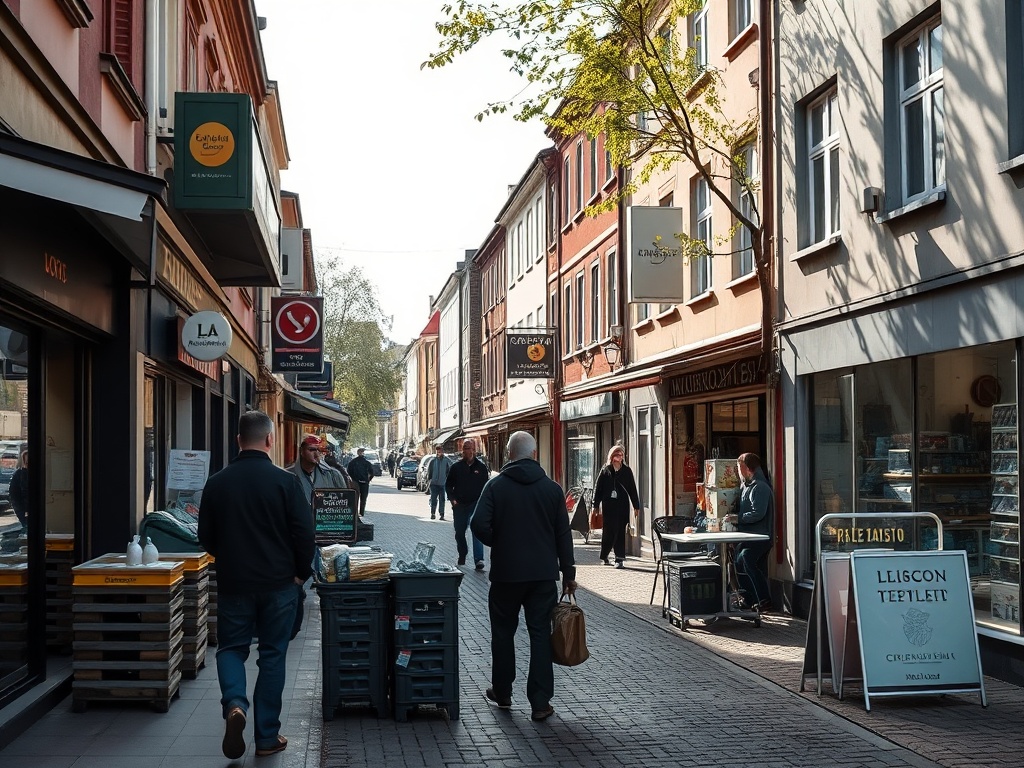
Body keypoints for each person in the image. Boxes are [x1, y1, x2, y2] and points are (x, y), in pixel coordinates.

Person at [197, 411, 314, 760]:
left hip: (234, 583)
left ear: (237, 440)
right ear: (270, 440)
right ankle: (266, 737)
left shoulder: (217, 482)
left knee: (231, 649)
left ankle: (235, 704)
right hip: (279, 583)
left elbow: (205, 537)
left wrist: (229, 557)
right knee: (273, 656)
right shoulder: (286, 482)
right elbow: (305, 534)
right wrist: (299, 573)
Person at [471, 431, 577, 723]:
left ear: (508, 454)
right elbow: (563, 535)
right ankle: (540, 702)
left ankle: (503, 692)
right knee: (541, 634)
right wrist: (568, 573)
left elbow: (478, 524)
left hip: (506, 574)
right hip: (542, 576)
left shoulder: (496, 487)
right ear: (533, 455)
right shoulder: (552, 490)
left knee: (503, 633)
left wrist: (500, 541)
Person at [724, 452, 774, 612]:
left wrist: (737, 518)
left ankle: (764, 599)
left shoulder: (760, 487)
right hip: (749, 536)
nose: (738, 472)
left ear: (745, 468)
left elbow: (758, 513)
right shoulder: (747, 486)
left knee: (746, 559)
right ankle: (749, 598)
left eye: (739, 468)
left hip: (761, 537)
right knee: (739, 561)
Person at [592, 445, 641, 569]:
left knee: (620, 532)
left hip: (622, 507)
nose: (620, 457)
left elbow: (632, 489)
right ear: (612, 456)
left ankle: (619, 558)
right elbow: (598, 489)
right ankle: (604, 555)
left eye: (621, 454)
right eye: (617, 454)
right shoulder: (605, 470)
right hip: (609, 507)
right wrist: (595, 505)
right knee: (608, 532)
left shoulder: (627, 471)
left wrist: (636, 505)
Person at [445, 438, 488, 570]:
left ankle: (479, 560)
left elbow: (486, 487)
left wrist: (484, 504)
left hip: (475, 504)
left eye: (468, 448)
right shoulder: (456, 467)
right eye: (464, 448)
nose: (465, 451)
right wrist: (453, 500)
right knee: (459, 532)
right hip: (460, 506)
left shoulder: (481, 468)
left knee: (476, 531)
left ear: (474, 450)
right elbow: (448, 485)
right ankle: (462, 554)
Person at [425, 444, 453, 520]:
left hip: (442, 484)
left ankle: (442, 515)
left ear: (442, 451)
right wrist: (429, 481)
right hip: (433, 484)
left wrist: (448, 481)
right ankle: (433, 513)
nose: (439, 452)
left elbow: (450, 471)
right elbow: (429, 472)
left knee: (442, 500)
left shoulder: (446, 461)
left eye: (440, 451)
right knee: (434, 499)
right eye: (437, 451)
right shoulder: (433, 461)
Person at [346, 447, 374, 517]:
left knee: (355, 498)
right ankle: (361, 513)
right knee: (363, 499)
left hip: (356, 483)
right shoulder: (367, 463)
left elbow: (348, 471)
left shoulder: (352, 462)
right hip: (364, 483)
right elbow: (372, 473)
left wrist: (353, 479)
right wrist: (368, 480)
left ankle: (354, 513)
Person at [9, 448, 29, 529]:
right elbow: (14, 495)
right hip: (24, 513)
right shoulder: (19, 475)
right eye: (27, 463)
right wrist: (21, 513)